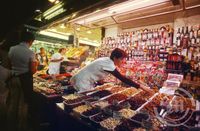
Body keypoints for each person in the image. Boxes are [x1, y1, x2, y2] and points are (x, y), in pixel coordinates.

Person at [70, 48, 152, 93]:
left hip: (82, 78)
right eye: (121, 59)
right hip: (83, 81)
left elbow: (97, 69)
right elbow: (122, 78)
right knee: (82, 101)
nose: (122, 61)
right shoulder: (109, 64)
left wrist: (100, 79)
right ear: (115, 58)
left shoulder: (106, 60)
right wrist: (141, 86)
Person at [8, 30, 38, 130]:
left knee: (13, 102)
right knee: (23, 103)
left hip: (13, 78)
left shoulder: (12, 49)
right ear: (30, 41)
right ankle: (21, 126)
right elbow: (33, 70)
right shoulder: (30, 53)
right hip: (24, 80)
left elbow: (9, 64)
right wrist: (36, 66)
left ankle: (10, 123)